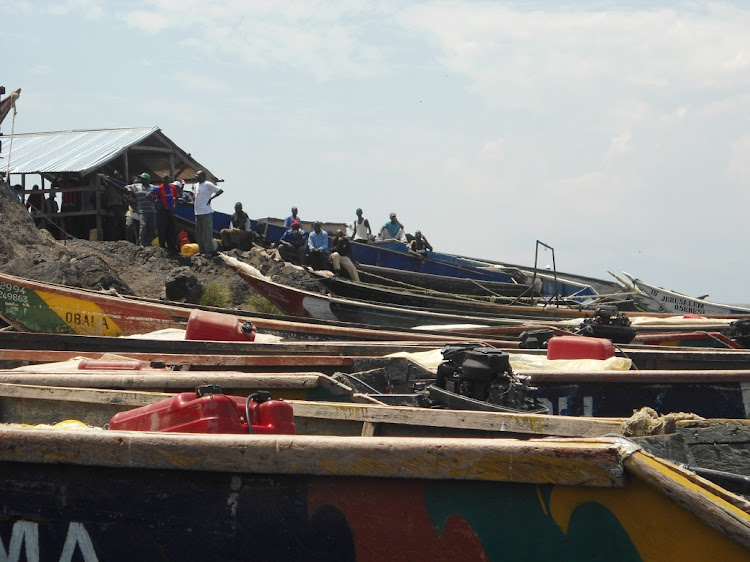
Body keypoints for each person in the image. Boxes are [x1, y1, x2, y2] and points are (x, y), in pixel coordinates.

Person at [194, 170, 224, 255]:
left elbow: (220, 190)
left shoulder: (208, 184)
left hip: (206, 212)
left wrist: (211, 198)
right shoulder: (196, 185)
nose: (196, 176)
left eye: (198, 175)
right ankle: (202, 250)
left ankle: (209, 250)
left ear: (203, 177)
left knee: (207, 232)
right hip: (197, 212)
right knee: (198, 233)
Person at [150, 175, 180, 253]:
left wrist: (174, 206)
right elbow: (149, 195)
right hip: (162, 211)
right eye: (164, 179)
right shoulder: (159, 188)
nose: (166, 180)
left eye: (167, 179)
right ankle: (162, 245)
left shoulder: (172, 188)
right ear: (162, 180)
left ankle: (172, 246)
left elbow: (177, 197)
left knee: (171, 229)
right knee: (162, 228)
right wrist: (156, 203)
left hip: (170, 211)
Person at [131, 173, 157, 247]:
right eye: (141, 178)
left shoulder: (153, 187)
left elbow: (159, 192)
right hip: (143, 210)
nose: (141, 180)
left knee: (152, 227)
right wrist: (128, 189)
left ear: (147, 180)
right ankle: (141, 243)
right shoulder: (137, 187)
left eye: (143, 179)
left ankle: (150, 242)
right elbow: (127, 187)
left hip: (152, 210)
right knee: (143, 225)